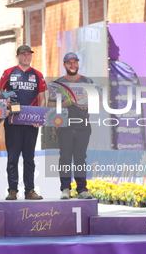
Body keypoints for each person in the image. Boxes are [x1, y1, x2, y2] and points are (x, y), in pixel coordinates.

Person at [0, 45, 47, 200]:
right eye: (23, 54)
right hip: (13, 120)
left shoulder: (38, 75)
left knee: (29, 158)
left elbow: (43, 98)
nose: (26, 57)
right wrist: (6, 96)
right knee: (13, 157)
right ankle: (12, 190)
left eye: (29, 54)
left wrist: (39, 117)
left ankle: (29, 190)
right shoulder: (9, 72)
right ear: (17, 56)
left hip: (31, 122)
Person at [48, 52, 93, 200]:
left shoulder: (87, 81)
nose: (73, 65)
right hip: (65, 126)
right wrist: (68, 102)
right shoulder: (57, 83)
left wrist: (89, 106)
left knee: (80, 158)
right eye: (69, 63)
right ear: (64, 65)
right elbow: (50, 105)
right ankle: (65, 188)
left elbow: (95, 102)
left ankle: (82, 189)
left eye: (75, 62)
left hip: (83, 125)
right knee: (65, 158)